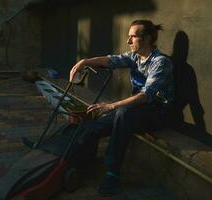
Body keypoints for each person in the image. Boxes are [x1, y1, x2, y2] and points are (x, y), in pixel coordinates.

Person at [69, 19, 174, 196]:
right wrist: (84, 62)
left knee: (122, 113)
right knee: (95, 125)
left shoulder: (160, 62)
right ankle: (68, 159)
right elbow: (111, 60)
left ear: (147, 38)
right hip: (134, 110)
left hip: (156, 112)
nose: (128, 41)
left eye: (132, 37)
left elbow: (145, 96)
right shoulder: (135, 57)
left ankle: (112, 172)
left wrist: (111, 106)